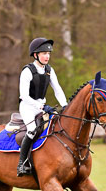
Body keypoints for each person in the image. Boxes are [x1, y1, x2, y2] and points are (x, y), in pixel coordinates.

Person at [17, 37, 68, 176]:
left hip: (41, 105)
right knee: (32, 130)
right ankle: (21, 163)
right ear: (36, 55)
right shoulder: (27, 71)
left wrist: (65, 106)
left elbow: (57, 90)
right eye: (44, 53)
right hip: (28, 106)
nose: (47, 56)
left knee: (58, 124)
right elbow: (24, 96)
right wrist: (41, 107)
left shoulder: (49, 70)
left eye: (49, 53)